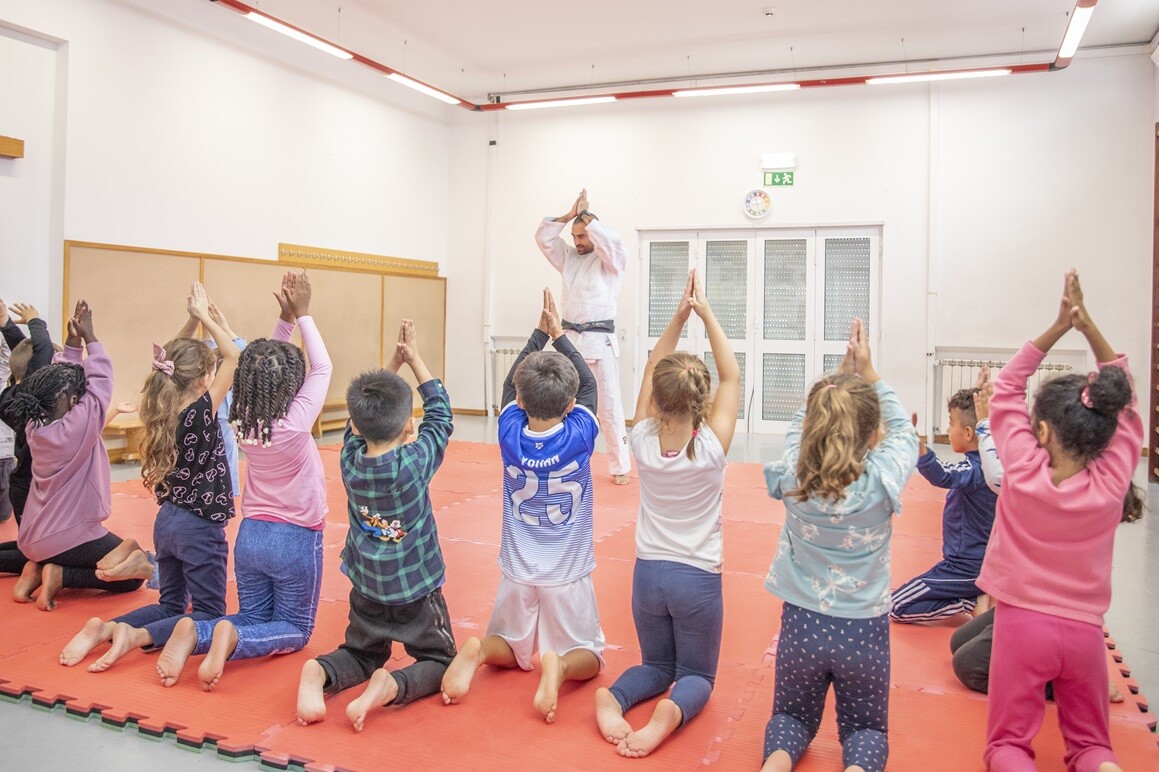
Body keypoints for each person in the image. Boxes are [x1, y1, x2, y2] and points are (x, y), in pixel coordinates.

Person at [979, 270, 1142, 772]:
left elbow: (1006, 386)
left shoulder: (1022, 471)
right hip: (1085, 636)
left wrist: (1056, 327)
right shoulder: (1111, 482)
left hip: (1021, 626)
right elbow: (1128, 403)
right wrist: (1088, 327)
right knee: (1093, 746)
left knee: (1008, 745)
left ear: (1041, 431)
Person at [155, 271, 331, 690]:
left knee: (251, 615)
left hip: (250, 536)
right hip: (294, 538)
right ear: (291, 386)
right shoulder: (293, 426)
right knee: (295, 628)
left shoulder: (241, 420)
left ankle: (197, 631)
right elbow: (321, 365)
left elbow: (258, 367)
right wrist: (303, 315)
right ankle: (227, 637)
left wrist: (286, 321)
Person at [760, 318, 918, 772]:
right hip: (863, 630)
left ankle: (774, 765)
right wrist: (869, 374)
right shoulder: (883, 480)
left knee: (790, 716)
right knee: (865, 730)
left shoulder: (794, 476)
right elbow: (905, 434)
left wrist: (834, 378)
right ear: (873, 436)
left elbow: (798, 427)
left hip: (801, 625)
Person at [594, 269, 740, 758]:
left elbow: (653, 364)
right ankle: (668, 715)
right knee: (696, 675)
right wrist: (706, 310)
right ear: (702, 401)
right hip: (697, 579)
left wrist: (678, 315)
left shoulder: (640, 440)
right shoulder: (712, 447)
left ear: (655, 399)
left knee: (655, 665)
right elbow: (731, 375)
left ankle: (614, 698)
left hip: (648, 576)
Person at [441, 288, 604, 724]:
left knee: (509, 647)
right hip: (566, 572)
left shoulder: (509, 431)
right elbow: (589, 383)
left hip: (517, 568)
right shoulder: (581, 435)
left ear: (520, 401)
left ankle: (477, 653)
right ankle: (560, 666)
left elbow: (511, 381)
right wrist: (561, 335)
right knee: (589, 656)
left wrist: (538, 333)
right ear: (572, 406)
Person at [58, 283, 239, 671]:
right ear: (203, 379)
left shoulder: (163, 406)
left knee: (170, 603)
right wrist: (207, 317)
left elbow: (172, 359)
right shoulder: (203, 411)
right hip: (199, 526)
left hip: (167, 522)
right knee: (208, 613)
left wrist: (193, 319)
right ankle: (138, 636)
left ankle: (106, 627)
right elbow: (234, 355)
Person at [296, 318, 456, 732]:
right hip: (415, 588)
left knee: (362, 653)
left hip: (367, 584)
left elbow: (358, 422)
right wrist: (414, 359)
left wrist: (391, 367)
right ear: (408, 426)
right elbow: (441, 414)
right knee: (440, 662)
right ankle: (390, 685)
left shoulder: (349, 459)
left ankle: (321, 672)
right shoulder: (414, 463)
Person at [0, 301, 153, 610]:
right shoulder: (76, 429)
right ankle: (60, 574)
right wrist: (91, 338)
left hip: (32, 536)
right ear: (72, 401)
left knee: (126, 551)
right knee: (134, 575)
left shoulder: (33, 423)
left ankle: (36, 569)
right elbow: (101, 383)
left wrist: (72, 344)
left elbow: (66, 378)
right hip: (65, 538)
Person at [535, 188, 631, 485]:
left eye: (583, 236)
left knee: (609, 405)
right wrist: (568, 216)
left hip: (600, 343)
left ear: (593, 233)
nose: (578, 242)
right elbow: (544, 239)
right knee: (562, 402)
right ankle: (560, 461)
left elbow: (611, 241)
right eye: (575, 237)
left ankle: (619, 466)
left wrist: (587, 216)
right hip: (570, 341)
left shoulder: (611, 262)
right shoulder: (569, 259)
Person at [890, 378, 997, 623]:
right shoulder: (991, 463)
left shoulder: (975, 470)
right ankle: (973, 596)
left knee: (895, 607)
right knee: (895, 595)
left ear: (969, 433)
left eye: (951, 424)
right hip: (967, 563)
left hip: (966, 569)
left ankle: (965, 601)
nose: (948, 431)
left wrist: (919, 449)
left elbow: (942, 474)